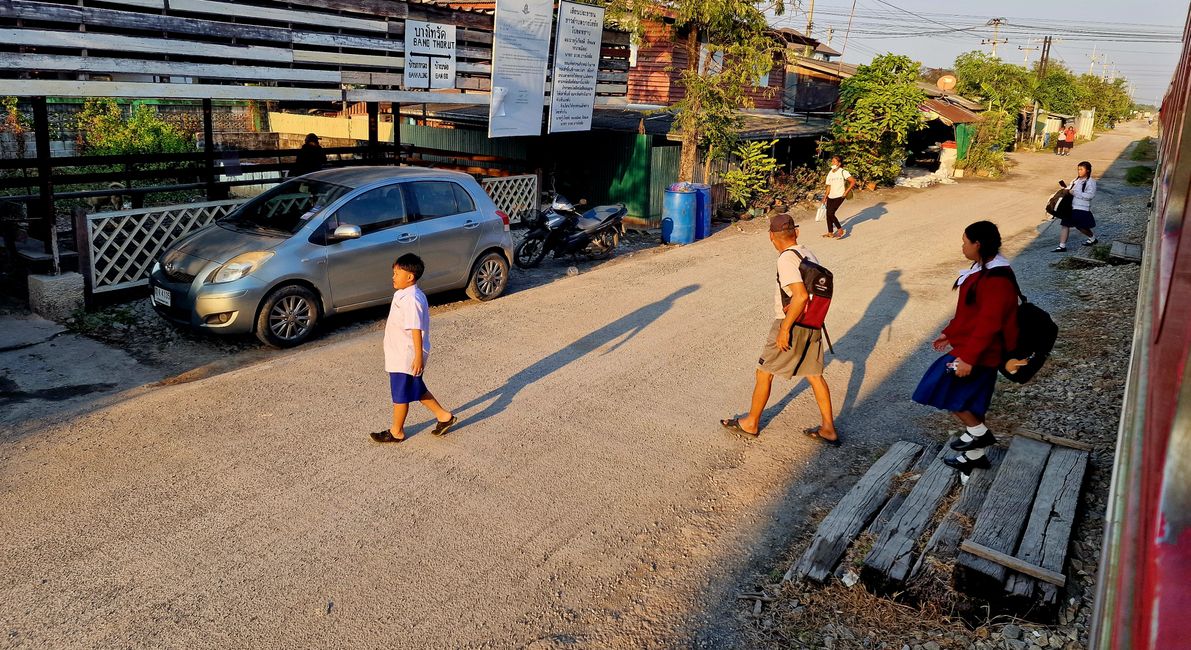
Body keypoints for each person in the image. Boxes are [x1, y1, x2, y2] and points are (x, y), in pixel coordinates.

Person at [720, 212, 840, 445]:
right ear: (797, 232)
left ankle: (751, 423)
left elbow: (800, 296)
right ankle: (828, 428)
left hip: (792, 322)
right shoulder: (807, 253)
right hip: (813, 324)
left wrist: (785, 329)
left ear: (771, 236)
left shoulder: (786, 259)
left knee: (763, 372)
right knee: (814, 376)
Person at [912, 221, 1019, 474]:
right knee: (972, 401)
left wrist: (969, 358)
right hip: (974, 346)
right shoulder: (983, 269)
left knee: (943, 389)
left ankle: (980, 434)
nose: (962, 247)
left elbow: (990, 323)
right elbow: (970, 313)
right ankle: (974, 457)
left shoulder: (996, 278)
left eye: (965, 242)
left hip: (982, 352)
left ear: (977, 244)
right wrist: (949, 333)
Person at [371, 254, 458, 443]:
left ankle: (396, 432)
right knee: (415, 388)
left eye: (397, 273)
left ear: (410, 277)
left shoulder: (411, 299)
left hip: (407, 356)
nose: (393, 277)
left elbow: (415, 328)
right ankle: (444, 416)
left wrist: (418, 356)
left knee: (400, 395)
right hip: (400, 353)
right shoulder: (403, 294)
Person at [1052, 160, 1098, 253]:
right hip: (1071, 207)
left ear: (1088, 170)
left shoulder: (1091, 182)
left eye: (1081, 169)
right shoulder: (1075, 180)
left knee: (1080, 227)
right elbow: (1070, 189)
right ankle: (1062, 246)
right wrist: (1066, 190)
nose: (1079, 171)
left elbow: (1090, 196)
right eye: (1078, 169)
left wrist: (1074, 192)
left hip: (1082, 208)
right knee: (1065, 225)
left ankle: (1092, 238)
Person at [821, 155, 856, 239]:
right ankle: (830, 232)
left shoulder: (843, 172)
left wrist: (846, 192)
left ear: (839, 163)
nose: (832, 163)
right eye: (832, 161)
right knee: (828, 214)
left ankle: (840, 230)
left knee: (831, 213)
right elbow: (829, 186)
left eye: (834, 161)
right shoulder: (830, 172)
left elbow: (853, 181)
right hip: (831, 195)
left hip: (840, 195)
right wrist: (825, 196)